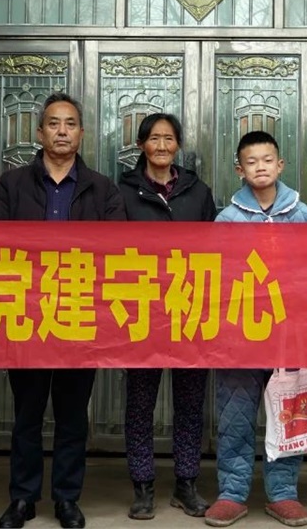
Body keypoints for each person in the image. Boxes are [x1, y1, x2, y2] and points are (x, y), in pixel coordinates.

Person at [0, 93, 126, 529]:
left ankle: (67, 498)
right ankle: (23, 498)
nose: (62, 131)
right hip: (26, 314)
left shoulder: (102, 189)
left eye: (70, 124)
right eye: (53, 123)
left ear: (81, 133)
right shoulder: (12, 185)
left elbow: (118, 251)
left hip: (79, 314)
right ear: (39, 132)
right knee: (27, 414)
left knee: (72, 416)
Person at [204, 130, 307, 528]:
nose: (261, 167)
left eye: (267, 160)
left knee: (290, 411)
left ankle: (283, 492)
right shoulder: (227, 218)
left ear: (280, 165)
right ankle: (231, 492)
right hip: (240, 334)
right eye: (251, 162)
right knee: (235, 414)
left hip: (290, 334)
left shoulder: (303, 215)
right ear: (240, 170)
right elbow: (215, 275)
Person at [118, 113, 217, 521]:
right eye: (154, 138)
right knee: (140, 403)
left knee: (190, 403)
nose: (161, 145)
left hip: (190, 311)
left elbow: (215, 248)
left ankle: (186, 483)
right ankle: (142, 486)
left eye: (169, 138)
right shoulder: (123, 191)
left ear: (178, 145)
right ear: (141, 144)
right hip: (142, 311)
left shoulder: (198, 191)